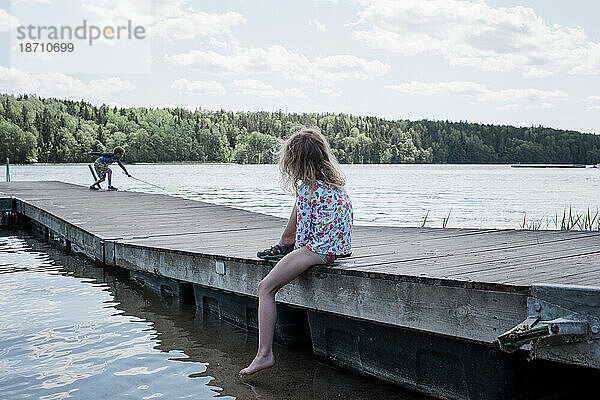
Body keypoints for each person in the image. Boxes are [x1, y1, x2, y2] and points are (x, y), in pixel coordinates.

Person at [240, 128, 353, 376]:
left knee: (265, 289)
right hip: (338, 249)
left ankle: (264, 354)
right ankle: (284, 240)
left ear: (295, 163)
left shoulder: (307, 190)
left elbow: (302, 242)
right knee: (280, 266)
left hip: (317, 250)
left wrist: (290, 252)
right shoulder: (336, 186)